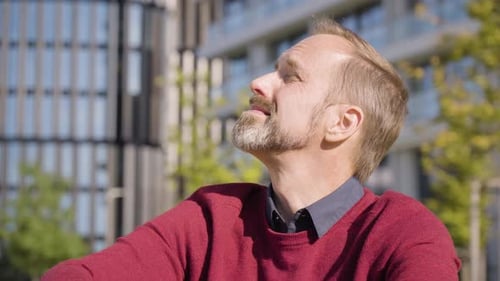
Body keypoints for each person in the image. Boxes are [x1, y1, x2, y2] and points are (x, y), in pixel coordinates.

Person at [42, 18, 461, 281]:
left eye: (290, 76)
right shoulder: (211, 217)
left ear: (342, 123)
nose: (258, 83)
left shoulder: (402, 234)